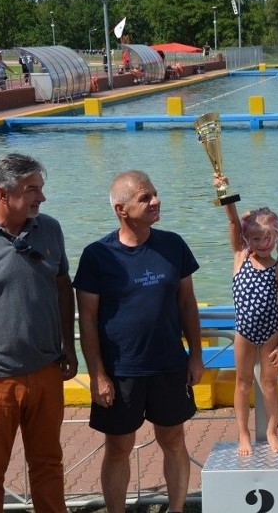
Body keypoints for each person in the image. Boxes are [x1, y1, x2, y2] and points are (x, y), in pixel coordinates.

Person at [74, 170, 204, 513]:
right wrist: (97, 375)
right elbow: (87, 319)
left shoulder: (173, 245)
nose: (155, 201)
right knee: (117, 447)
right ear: (121, 209)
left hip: (169, 365)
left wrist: (196, 356)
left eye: (155, 194)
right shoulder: (96, 255)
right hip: (121, 371)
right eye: (145, 198)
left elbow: (187, 303)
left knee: (173, 440)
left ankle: (176, 509)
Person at [0, 153, 78, 512]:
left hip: (47, 371)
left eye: (40, 189)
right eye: (32, 190)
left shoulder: (51, 228)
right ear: (2, 193)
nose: (40, 198)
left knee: (48, 467)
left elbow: (63, 287)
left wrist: (69, 348)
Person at [214, 174, 278, 455]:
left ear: (276, 236)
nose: (262, 242)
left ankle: (272, 430)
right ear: (247, 239)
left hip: (271, 332)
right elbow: (233, 221)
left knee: (269, 383)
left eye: (268, 237)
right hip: (243, 332)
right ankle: (243, 434)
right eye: (256, 237)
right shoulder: (240, 258)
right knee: (243, 382)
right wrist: (224, 191)